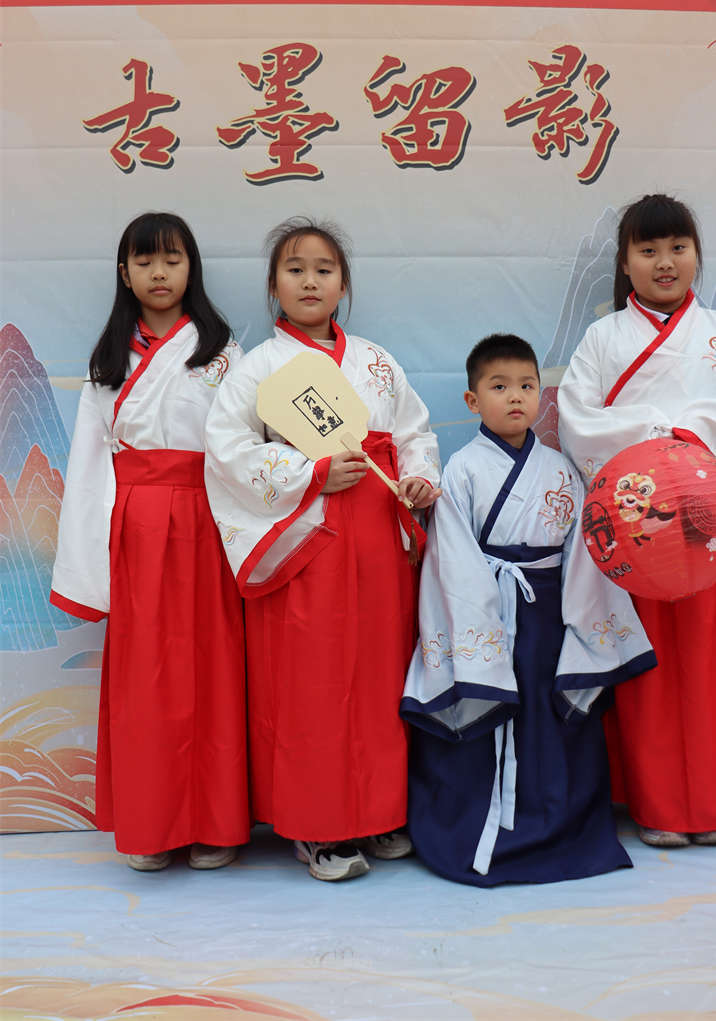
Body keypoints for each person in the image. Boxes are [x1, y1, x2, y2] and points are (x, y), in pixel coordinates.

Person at [204, 216, 441, 882]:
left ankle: (378, 810)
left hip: (377, 537)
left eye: (324, 270)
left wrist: (420, 478)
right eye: (295, 269)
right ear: (273, 285)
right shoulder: (259, 367)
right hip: (305, 541)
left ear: (343, 285)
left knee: (379, 676)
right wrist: (308, 472)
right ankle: (318, 827)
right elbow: (227, 451)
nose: (310, 281)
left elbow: (414, 432)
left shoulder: (375, 361)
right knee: (311, 685)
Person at [557, 194, 716, 848]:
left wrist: (689, 433)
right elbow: (577, 418)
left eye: (677, 247)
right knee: (649, 668)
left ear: (696, 255)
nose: (665, 262)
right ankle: (658, 805)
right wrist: (658, 438)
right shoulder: (603, 338)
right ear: (625, 262)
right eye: (648, 249)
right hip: (640, 524)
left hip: (710, 521)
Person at [401, 334, 656, 886]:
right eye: (499, 387)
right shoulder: (462, 470)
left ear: (542, 395)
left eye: (526, 385)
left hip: (548, 622)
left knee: (554, 723)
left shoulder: (561, 470)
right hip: (487, 617)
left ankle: (561, 827)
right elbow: (453, 560)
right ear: (472, 400)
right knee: (487, 714)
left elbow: (583, 554)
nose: (515, 397)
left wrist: (583, 626)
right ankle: (477, 831)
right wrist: (483, 628)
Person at [50, 212, 249, 872]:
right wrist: (90, 556)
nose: (159, 273)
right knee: (145, 677)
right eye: (144, 261)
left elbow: (244, 448)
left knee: (215, 669)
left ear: (192, 268)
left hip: (208, 517)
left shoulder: (223, 353)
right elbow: (88, 464)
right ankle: (151, 824)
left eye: (172, 259)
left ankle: (216, 822)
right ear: (124, 272)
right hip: (135, 523)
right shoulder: (110, 359)